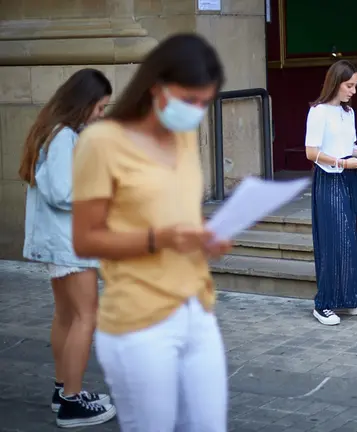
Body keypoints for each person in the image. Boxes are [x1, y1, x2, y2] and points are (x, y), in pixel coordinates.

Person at [71, 33, 231, 431]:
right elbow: (85, 238)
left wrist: (206, 236)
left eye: (205, 102)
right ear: (156, 87)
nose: (197, 110)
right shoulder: (101, 142)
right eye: (189, 99)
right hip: (138, 319)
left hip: (197, 306)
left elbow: (181, 216)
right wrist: (158, 238)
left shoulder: (186, 136)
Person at [19, 68, 116, 428]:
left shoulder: (55, 132)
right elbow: (62, 192)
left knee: (66, 316)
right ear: (84, 103)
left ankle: (65, 391)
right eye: (100, 107)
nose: (100, 115)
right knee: (85, 317)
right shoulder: (63, 137)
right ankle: (72, 403)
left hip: (59, 242)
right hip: (68, 243)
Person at [304, 60, 357, 326]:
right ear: (336, 83)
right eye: (349, 85)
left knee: (352, 234)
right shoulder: (318, 112)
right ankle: (324, 304)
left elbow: (350, 145)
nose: (353, 91)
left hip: (350, 175)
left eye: (355, 85)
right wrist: (342, 163)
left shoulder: (348, 112)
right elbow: (311, 152)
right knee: (334, 238)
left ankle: (351, 297)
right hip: (330, 177)